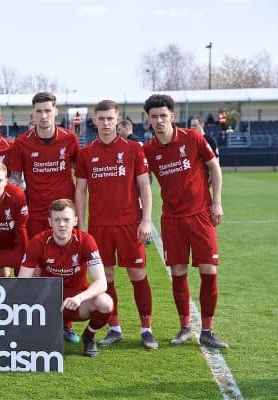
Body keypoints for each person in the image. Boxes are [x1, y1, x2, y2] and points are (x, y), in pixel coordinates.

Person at [142, 94, 227, 349]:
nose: (159, 120)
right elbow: (142, 183)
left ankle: (208, 331)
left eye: (163, 115)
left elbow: (214, 167)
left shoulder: (193, 138)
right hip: (172, 219)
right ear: (148, 119)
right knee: (178, 272)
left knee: (208, 270)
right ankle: (185, 327)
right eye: (154, 116)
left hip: (201, 214)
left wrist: (217, 201)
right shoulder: (148, 149)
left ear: (172, 116)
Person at [75, 100, 157, 350]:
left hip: (129, 224)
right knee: (106, 275)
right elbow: (80, 190)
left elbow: (144, 186)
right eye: (101, 119)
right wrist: (82, 225)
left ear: (118, 120)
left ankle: (146, 328)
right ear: (95, 120)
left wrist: (146, 220)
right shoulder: (86, 153)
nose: (106, 123)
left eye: (110, 118)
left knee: (137, 274)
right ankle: (114, 327)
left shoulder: (133, 149)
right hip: (99, 227)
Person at [9, 91, 80, 343]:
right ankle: (40, 323)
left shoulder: (70, 139)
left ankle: (67, 324)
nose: (43, 115)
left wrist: (78, 215)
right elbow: (15, 182)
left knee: (67, 271)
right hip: (37, 216)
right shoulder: (21, 143)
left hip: (65, 218)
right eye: (38, 111)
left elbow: (80, 178)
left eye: (47, 110)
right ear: (33, 114)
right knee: (39, 271)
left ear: (55, 112)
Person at [18, 199, 113, 357]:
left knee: (105, 302)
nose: (62, 224)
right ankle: (42, 331)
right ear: (50, 222)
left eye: (66, 219)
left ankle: (89, 336)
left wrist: (79, 297)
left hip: (77, 303)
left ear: (75, 220)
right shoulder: (38, 242)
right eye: (57, 220)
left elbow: (101, 282)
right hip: (48, 304)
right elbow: (22, 282)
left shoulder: (86, 241)